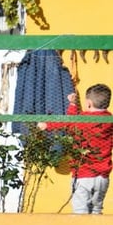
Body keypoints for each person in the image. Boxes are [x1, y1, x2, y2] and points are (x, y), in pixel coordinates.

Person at [38, 84, 113, 214]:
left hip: (83, 174)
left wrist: (47, 125)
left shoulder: (82, 120)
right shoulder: (109, 120)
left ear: (89, 103)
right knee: (96, 210)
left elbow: (68, 122)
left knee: (80, 212)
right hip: (103, 177)